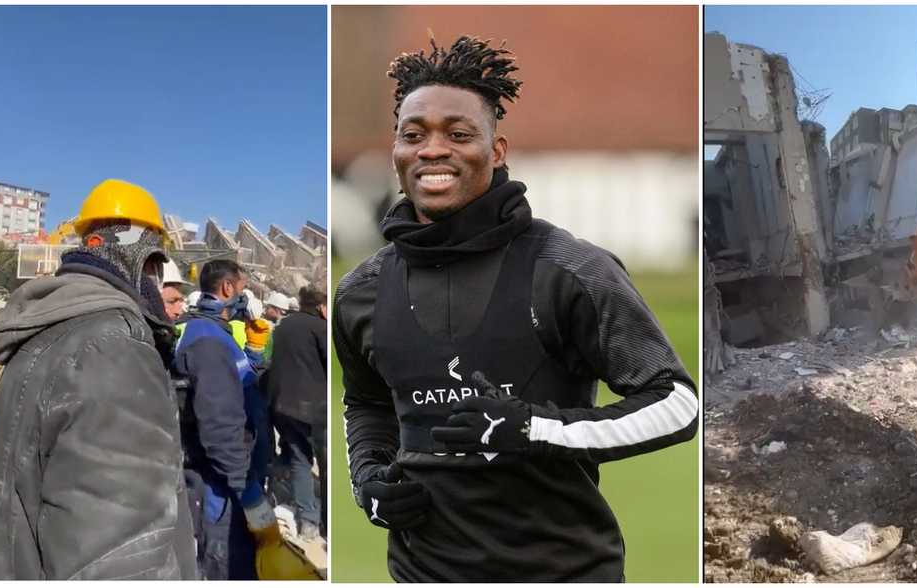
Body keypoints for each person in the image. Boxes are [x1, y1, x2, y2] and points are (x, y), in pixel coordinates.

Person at [333, 36, 699, 582]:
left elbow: (677, 405)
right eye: (414, 135)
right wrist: (369, 479)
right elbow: (366, 404)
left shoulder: (569, 270)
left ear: (497, 150)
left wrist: (534, 430)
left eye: (458, 134)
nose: (433, 150)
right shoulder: (359, 291)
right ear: (396, 151)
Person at [0, 179, 197, 580]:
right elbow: (124, 558)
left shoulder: (46, 333)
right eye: (156, 270)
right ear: (143, 259)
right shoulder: (114, 348)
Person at [172, 259, 277, 580]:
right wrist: (245, 488)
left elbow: (234, 385)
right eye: (243, 289)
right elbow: (219, 424)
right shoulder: (207, 340)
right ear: (228, 288)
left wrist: (254, 353)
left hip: (231, 473)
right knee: (227, 564)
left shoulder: (216, 333)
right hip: (222, 482)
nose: (244, 298)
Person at [266, 286, 328, 540]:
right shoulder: (321, 329)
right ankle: (329, 523)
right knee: (326, 467)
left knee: (300, 461)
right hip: (315, 410)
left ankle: (308, 523)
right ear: (322, 307)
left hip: (283, 406)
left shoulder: (282, 327)